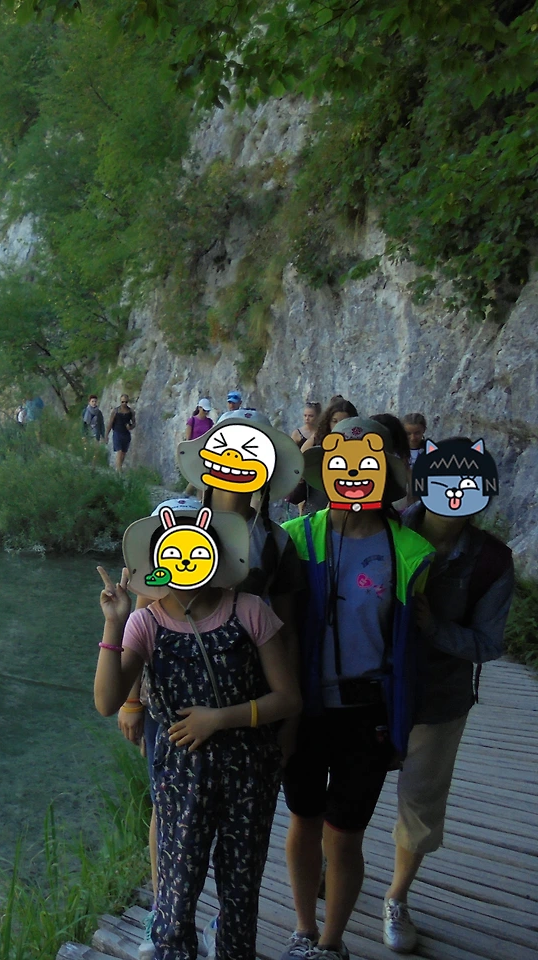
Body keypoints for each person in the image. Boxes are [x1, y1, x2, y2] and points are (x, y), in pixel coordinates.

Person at [96, 502, 302, 960]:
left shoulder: (250, 610)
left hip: (250, 771)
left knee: (241, 886)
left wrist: (219, 718)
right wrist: (114, 623)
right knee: (177, 886)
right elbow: (107, 702)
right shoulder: (144, 623)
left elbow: (289, 698)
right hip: (181, 773)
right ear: (156, 561)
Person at [277, 418, 435, 960]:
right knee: (303, 819)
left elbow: (416, 636)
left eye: (367, 465)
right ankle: (302, 929)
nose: (353, 476)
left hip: (366, 712)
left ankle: (331, 941)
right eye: (340, 465)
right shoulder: (298, 537)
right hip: (306, 707)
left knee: (344, 834)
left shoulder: (409, 550)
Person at [381, 437, 513, 953]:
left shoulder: (491, 562)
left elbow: (487, 643)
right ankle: (334, 865)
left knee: (420, 802)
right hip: (372, 685)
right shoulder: (385, 528)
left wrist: (433, 626)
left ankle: (397, 897)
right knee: (351, 786)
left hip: (440, 697)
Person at [292, 399, 360, 516]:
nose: (338, 426)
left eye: (344, 421)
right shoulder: (318, 439)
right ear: (328, 422)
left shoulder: (359, 446)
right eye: (334, 421)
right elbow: (301, 459)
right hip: (316, 499)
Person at [110, 394, 136, 471]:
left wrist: (130, 427)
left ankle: (119, 467)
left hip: (126, 434)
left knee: (123, 453)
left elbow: (134, 423)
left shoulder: (131, 412)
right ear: (120, 401)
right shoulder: (115, 411)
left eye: (126, 402)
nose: (124, 403)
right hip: (117, 433)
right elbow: (110, 423)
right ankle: (118, 470)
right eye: (122, 402)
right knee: (119, 452)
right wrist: (106, 435)